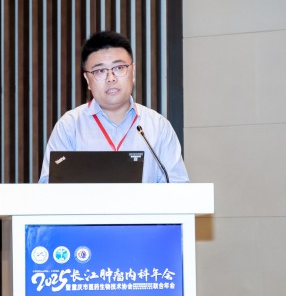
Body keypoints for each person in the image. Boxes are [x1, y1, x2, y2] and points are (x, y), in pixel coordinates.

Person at [38, 30, 189, 183]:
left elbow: (178, 187)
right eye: (100, 71)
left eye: (119, 68)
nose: (111, 78)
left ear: (133, 71)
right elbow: (48, 187)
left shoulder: (158, 127)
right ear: (87, 80)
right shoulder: (70, 126)